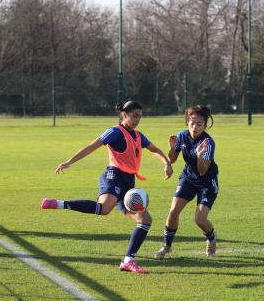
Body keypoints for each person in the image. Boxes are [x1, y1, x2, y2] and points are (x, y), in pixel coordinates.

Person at [41, 100, 173, 274]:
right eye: (134, 116)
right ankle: (57, 204)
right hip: (113, 176)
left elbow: (154, 149)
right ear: (124, 115)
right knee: (103, 209)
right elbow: (91, 146)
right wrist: (69, 162)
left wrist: (167, 163)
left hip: (129, 182)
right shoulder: (115, 132)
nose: (137, 120)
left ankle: (128, 261)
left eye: (140, 116)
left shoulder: (139, 136)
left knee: (145, 220)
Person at [154, 105, 219, 259]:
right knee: (173, 211)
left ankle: (211, 237)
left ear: (205, 125)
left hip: (207, 183)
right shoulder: (182, 136)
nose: (195, 127)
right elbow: (172, 159)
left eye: (199, 124)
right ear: (187, 122)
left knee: (199, 219)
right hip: (188, 179)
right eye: (192, 122)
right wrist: (171, 149)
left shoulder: (208, 143)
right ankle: (167, 246)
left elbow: (203, 171)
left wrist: (199, 156)